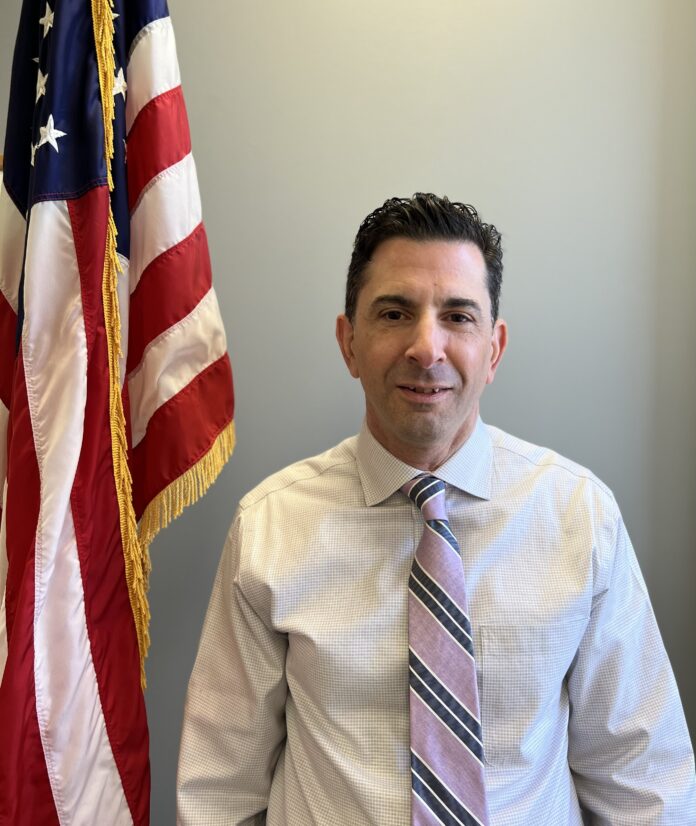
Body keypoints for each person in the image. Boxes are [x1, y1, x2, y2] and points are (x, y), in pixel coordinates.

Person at [176, 194, 696, 825]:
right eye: (395, 313)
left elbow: (642, 779)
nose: (427, 348)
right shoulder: (270, 527)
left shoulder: (579, 517)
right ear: (348, 343)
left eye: (458, 316)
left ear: (494, 350)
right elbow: (221, 788)